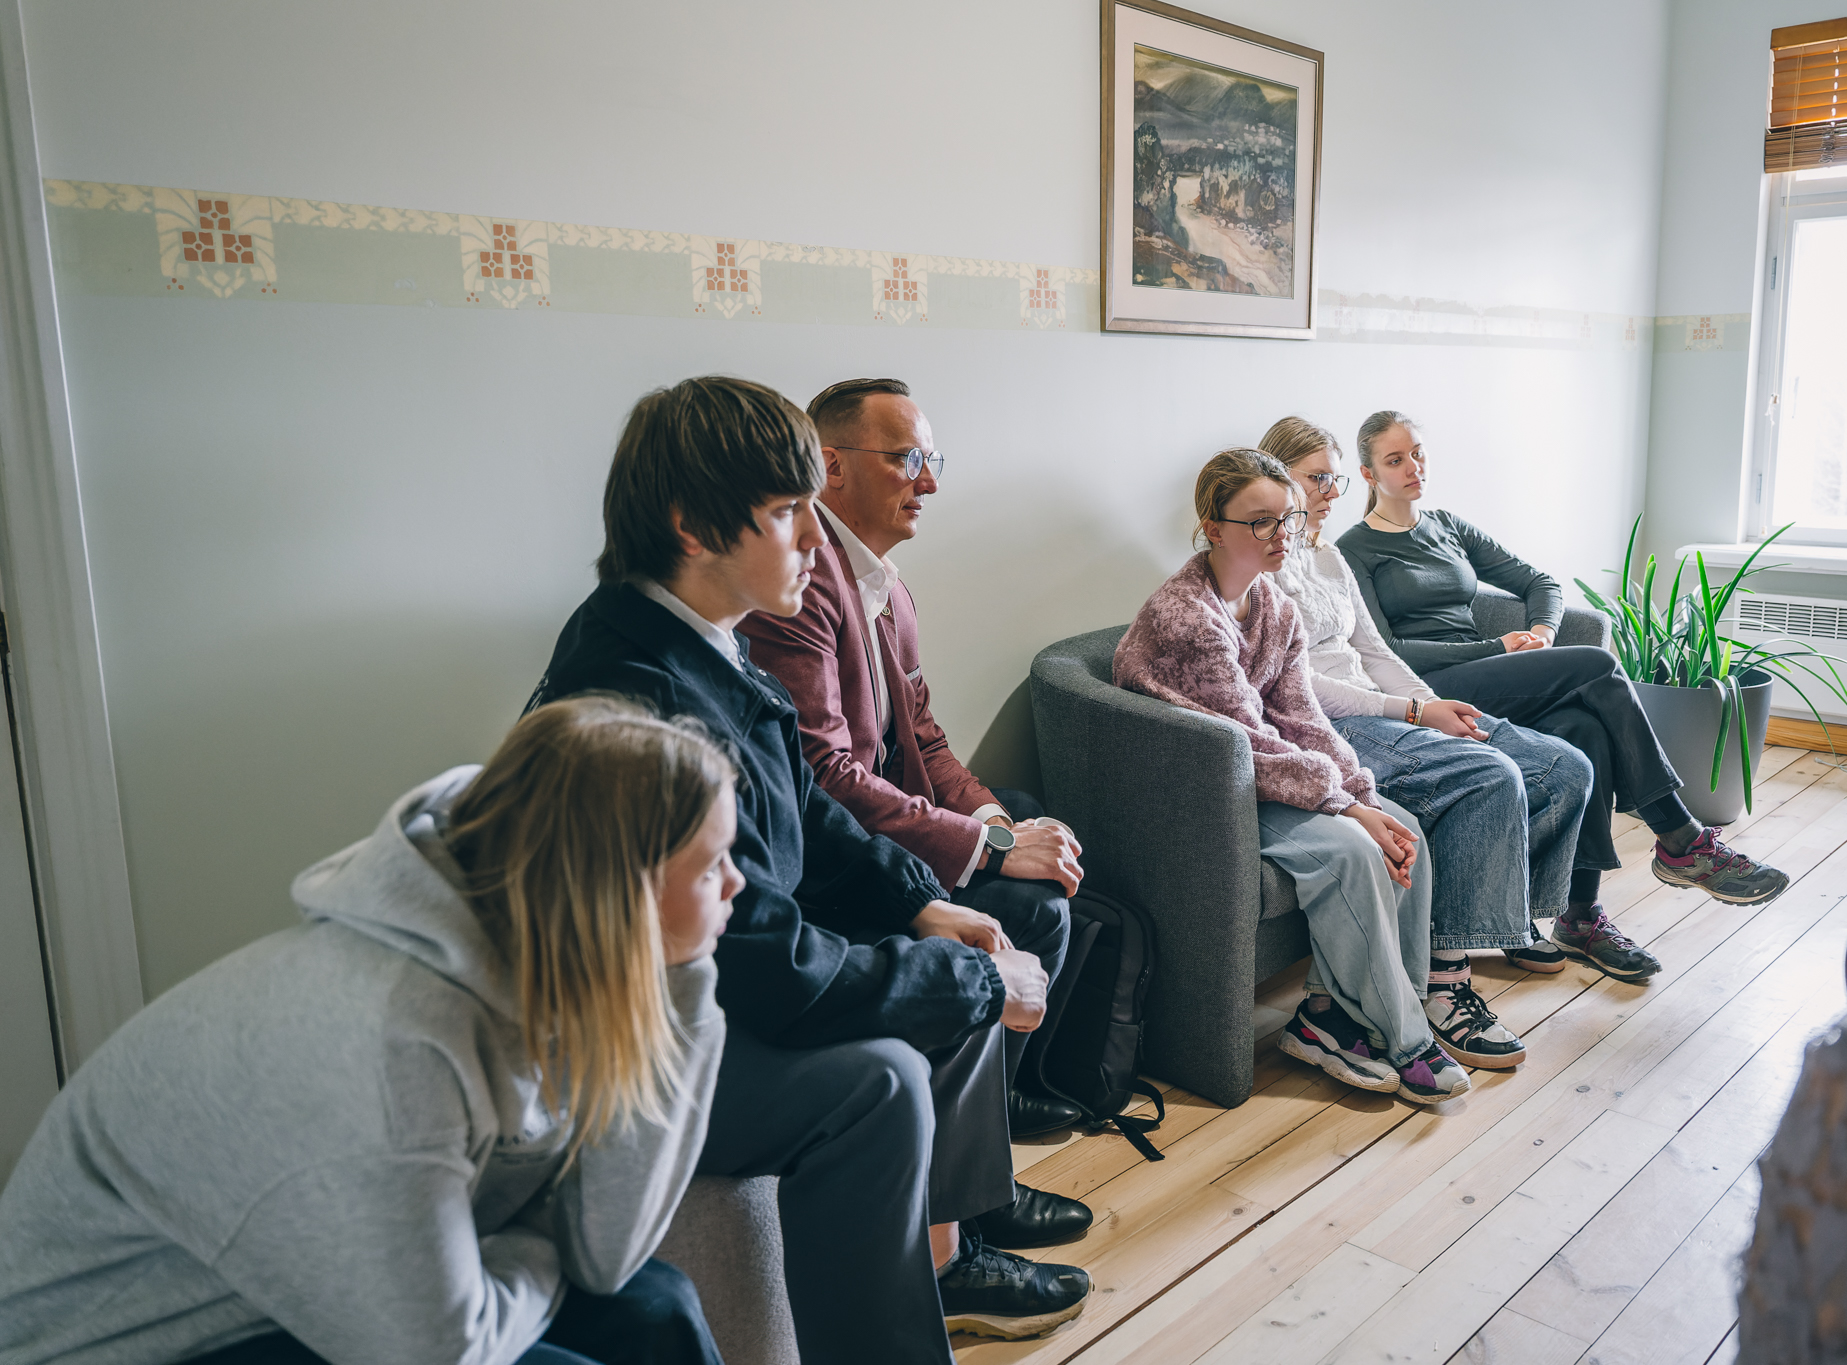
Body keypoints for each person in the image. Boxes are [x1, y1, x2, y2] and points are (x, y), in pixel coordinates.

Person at [524, 376, 1090, 1355]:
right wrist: (967, 979)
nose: (813, 535)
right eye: (790, 511)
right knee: (881, 1077)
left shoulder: (700, 641)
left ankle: (948, 1250)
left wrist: (921, 906)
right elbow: (759, 965)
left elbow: (811, 811)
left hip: (721, 978)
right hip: (640, 1038)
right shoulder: (645, 698)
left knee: (956, 951)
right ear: (690, 526)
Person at [0, 695, 735, 1365]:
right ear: (616, 899)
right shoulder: (395, 1042)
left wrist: (683, 984)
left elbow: (604, 1256)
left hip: (296, 1296)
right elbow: (448, 1351)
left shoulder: (548, 963)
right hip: (141, 1342)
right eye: (710, 868)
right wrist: (540, 1242)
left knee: (656, 1309)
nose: (737, 883)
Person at [738, 377, 1093, 1251]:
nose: (928, 481)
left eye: (931, 459)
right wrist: (989, 850)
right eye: (906, 458)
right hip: (835, 867)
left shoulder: (886, 588)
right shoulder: (798, 595)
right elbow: (825, 776)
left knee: (1038, 829)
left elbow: (924, 736)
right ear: (832, 467)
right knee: (1027, 905)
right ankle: (970, 1194)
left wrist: (1000, 824)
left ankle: (991, 1118)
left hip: (881, 832)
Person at [1336, 411, 1791, 986]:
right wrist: (1495, 646)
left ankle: (1580, 917)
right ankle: (1680, 836)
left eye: (1418, 453)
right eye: (1395, 460)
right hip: (1430, 689)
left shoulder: (1446, 525)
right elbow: (1387, 651)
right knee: (1598, 664)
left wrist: (1542, 633)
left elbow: (1540, 583)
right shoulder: (1354, 549)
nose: (1413, 467)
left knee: (1586, 729)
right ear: (1368, 473)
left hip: (1490, 670)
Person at [1114, 447, 1471, 1106]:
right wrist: (1348, 811)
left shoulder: (1274, 606)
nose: (1282, 535)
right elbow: (1247, 741)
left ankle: (1336, 1017)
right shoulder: (1188, 618)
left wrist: (1361, 793)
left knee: (1405, 830)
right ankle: (1407, 1038)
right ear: (1213, 527)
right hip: (1203, 791)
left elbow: (1301, 718)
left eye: (1288, 518)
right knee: (1352, 850)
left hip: (1255, 773)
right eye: (1261, 522)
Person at [1258, 416, 1596, 1069]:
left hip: (1388, 707)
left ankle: (1508, 922)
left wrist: (1431, 708)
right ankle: (1446, 984)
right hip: (1336, 725)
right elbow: (1300, 687)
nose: (1329, 492)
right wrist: (1412, 710)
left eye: (1334, 478)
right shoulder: (1267, 569)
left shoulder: (1328, 558)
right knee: (1490, 775)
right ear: (1278, 481)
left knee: (1564, 768)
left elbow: (1373, 652)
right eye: (1316, 477)